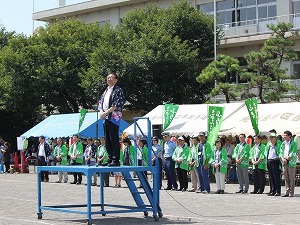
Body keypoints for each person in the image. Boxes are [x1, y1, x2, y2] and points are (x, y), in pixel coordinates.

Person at [98, 72, 125, 167]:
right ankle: (110, 158)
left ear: (116, 80)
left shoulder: (118, 90)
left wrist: (105, 112)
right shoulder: (105, 90)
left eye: (111, 77)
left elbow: (117, 104)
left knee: (113, 138)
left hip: (114, 117)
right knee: (107, 138)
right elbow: (100, 102)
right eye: (108, 77)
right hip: (105, 117)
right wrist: (101, 111)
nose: (109, 79)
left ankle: (115, 159)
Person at [280, 130, 298, 197]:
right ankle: (287, 191)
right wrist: (282, 158)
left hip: (290, 162)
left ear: (289, 136)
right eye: (284, 136)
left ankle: (291, 192)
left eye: (285, 136)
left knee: (291, 177)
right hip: (284, 161)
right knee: (286, 177)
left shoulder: (293, 143)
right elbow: (280, 152)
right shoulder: (283, 143)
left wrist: (287, 159)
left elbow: (293, 152)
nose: (284, 137)